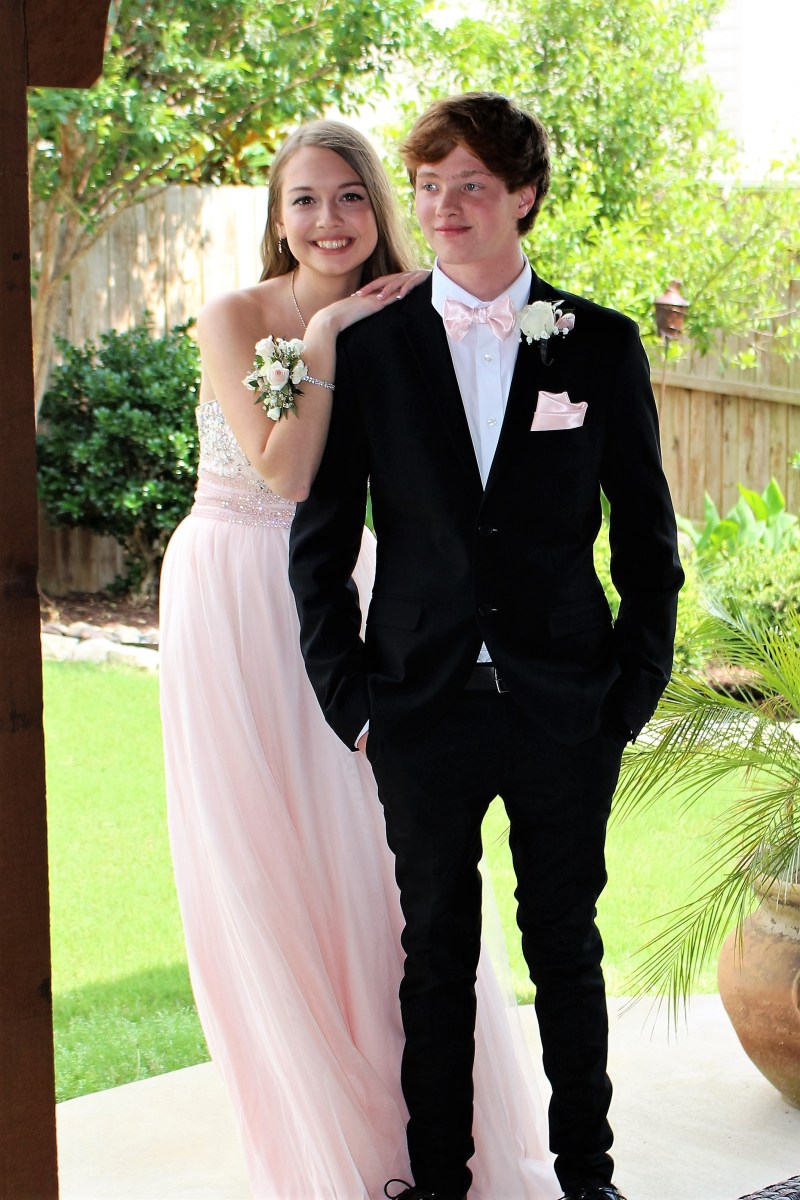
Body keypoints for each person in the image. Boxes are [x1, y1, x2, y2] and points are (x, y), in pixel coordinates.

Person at [289, 94, 685, 1200]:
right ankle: (437, 1184)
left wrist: (626, 698)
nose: (442, 207)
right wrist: (353, 705)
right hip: (416, 709)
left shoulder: (598, 344)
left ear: (522, 196)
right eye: (427, 186)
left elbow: (648, 543)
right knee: (434, 958)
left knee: (565, 945)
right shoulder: (370, 348)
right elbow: (319, 546)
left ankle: (588, 1178)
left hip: (565, 706)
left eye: (468, 184)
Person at [160, 119, 559, 1200]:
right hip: (233, 594)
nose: (327, 220)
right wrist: (329, 334)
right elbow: (285, 475)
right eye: (303, 199)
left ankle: (421, 1148)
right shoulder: (238, 317)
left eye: (347, 197)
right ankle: (319, 1148)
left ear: (379, 207)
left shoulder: (417, 312)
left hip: (358, 600)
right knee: (264, 868)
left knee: (385, 866)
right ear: (277, 215)